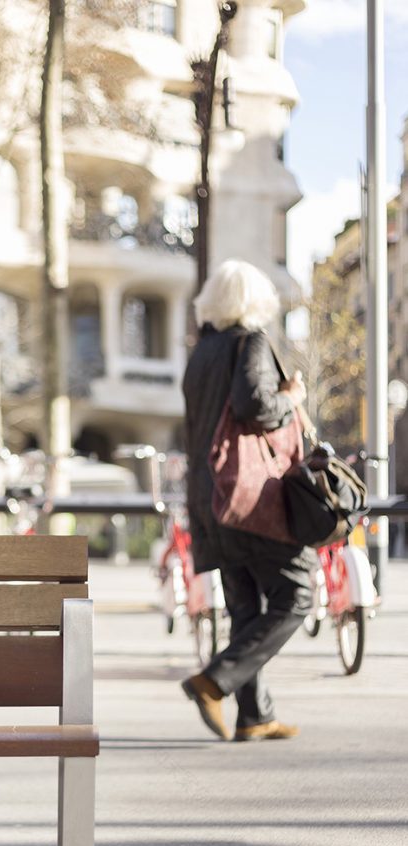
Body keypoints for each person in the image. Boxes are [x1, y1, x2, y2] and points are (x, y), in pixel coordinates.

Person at [181, 259, 313, 742]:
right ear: (256, 301)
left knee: (245, 608)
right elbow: (254, 406)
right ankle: (214, 680)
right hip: (248, 496)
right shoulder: (250, 341)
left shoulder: (201, 353)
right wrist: (292, 398)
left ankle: (255, 715)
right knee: (297, 593)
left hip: (208, 498)